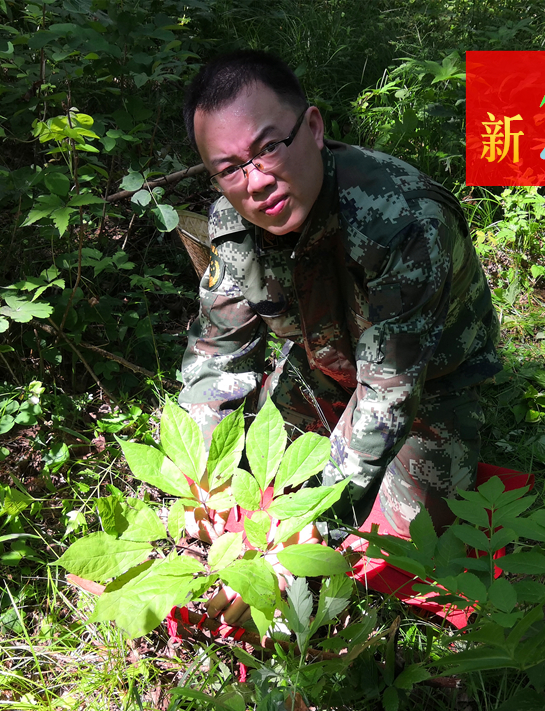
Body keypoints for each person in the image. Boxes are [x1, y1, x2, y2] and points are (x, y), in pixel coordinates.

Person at [179, 50, 500, 614]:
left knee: (395, 553)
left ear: (313, 128)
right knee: (250, 492)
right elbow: (217, 357)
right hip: (324, 365)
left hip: (430, 382)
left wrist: (307, 531)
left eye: (269, 147)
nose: (256, 181)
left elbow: (390, 393)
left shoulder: (403, 221)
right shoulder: (233, 227)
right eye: (229, 169)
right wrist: (203, 473)